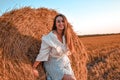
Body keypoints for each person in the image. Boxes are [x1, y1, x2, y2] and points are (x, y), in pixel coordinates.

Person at [32, 14, 76, 80]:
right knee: (71, 79)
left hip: (64, 61)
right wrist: (33, 68)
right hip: (52, 63)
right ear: (55, 24)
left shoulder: (66, 35)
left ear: (65, 23)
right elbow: (42, 54)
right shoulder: (49, 38)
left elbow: (71, 50)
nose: (61, 23)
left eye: (63, 21)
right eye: (58, 21)